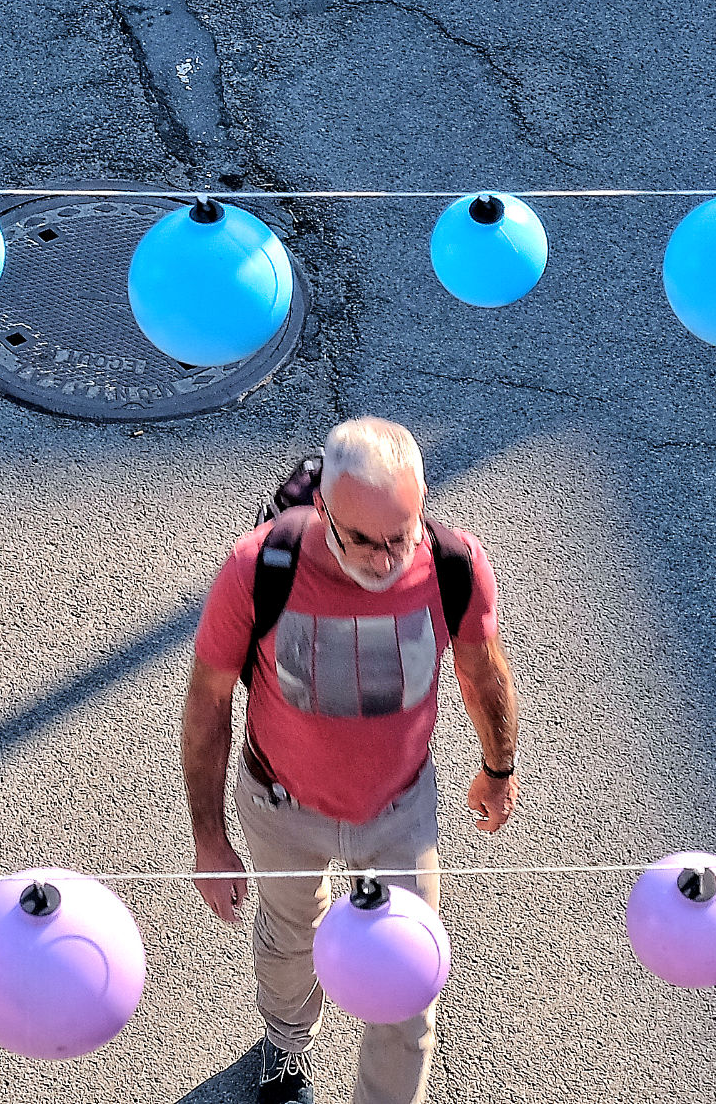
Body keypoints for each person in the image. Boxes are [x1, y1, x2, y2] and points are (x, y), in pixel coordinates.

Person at [181, 417, 520, 1104]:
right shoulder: (258, 569)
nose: (385, 557)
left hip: (399, 812)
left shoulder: (454, 566)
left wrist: (499, 768)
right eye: (364, 540)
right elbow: (208, 703)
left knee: (407, 990)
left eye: (401, 535)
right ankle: (285, 1045)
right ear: (324, 513)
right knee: (290, 943)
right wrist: (208, 837)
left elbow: (482, 673)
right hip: (282, 807)